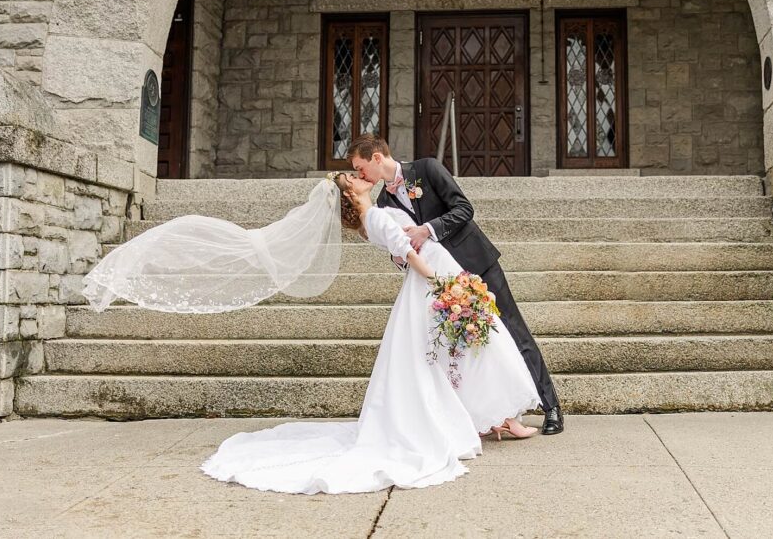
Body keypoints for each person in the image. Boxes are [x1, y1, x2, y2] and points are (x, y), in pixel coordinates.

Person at [82, 171, 540, 495]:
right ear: (350, 193)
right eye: (355, 177)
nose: (361, 176)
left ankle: (493, 417)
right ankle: (494, 418)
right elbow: (405, 249)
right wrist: (438, 281)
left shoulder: (374, 214)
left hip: (429, 282)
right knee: (459, 348)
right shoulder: (377, 217)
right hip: (430, 281)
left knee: (449, 353)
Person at [347, 134, 564, 435]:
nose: (360, 175)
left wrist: (427, 230)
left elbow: (464, 209)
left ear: (376, 158)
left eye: (360, 167)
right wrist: (403, 257)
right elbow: (399, 248)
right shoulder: (382, 202)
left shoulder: (427, 168)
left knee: (514, 331)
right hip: (446, 280)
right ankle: (494, 414)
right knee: (474, 346)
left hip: (476, 262)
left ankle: (550, 406)